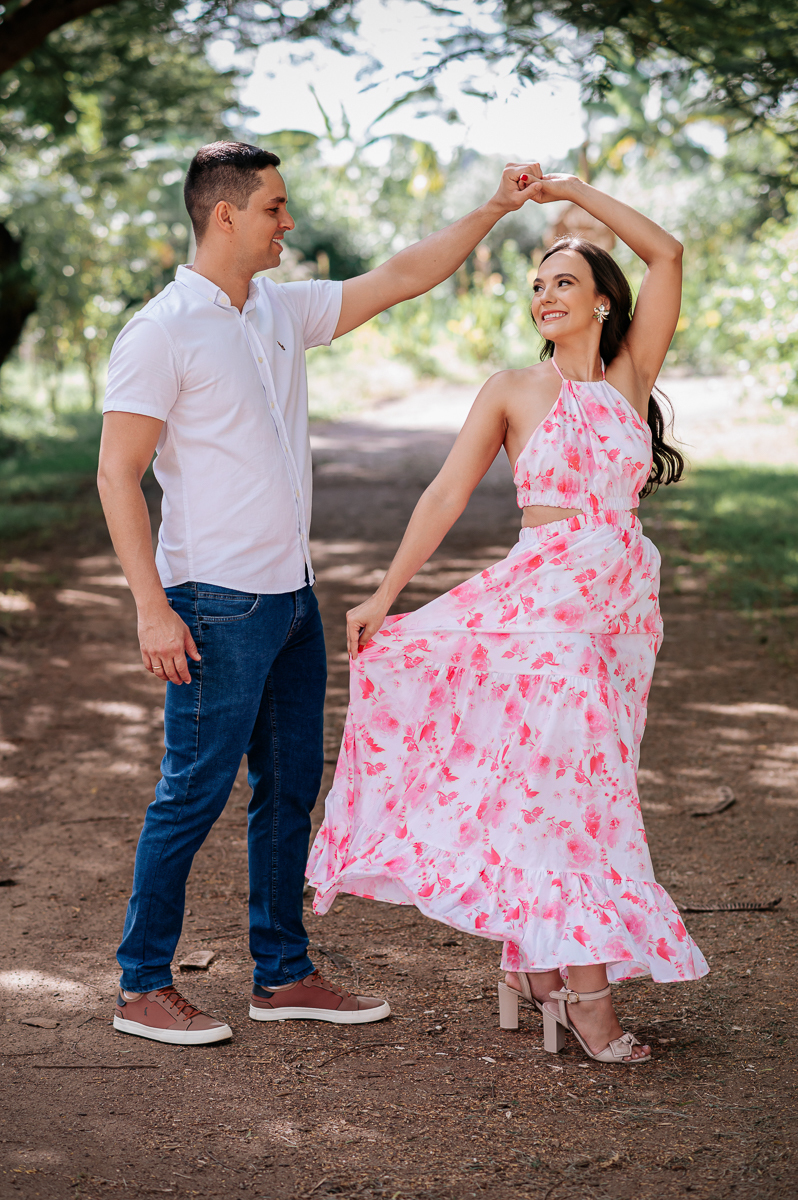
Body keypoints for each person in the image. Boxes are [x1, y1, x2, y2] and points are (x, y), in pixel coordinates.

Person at [97, 140, 542, 1045]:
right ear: (225, 215)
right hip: (213, 605)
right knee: (191, 791)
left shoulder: (275, 310)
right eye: (274, 207)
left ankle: (282, 972)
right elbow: (118, 473)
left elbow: (403, 275)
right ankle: (142, 984)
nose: (288, 222)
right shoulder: (161, 330)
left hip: (291, 602)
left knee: (290, 790)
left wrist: (495, 209)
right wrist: (152, 606)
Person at [307, 172, 709, 1065]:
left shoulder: (630, 375)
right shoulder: (511, 390)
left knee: (571, 787)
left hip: (622, 610)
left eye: (563, 281)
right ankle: (586, 993)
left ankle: (530, 968)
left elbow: (668, 252)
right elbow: (446, 493)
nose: (545, 295)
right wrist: (383, 593)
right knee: (581, 796)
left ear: (604, 303)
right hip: (545, 614)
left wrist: (571, 192)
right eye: (536, 284)